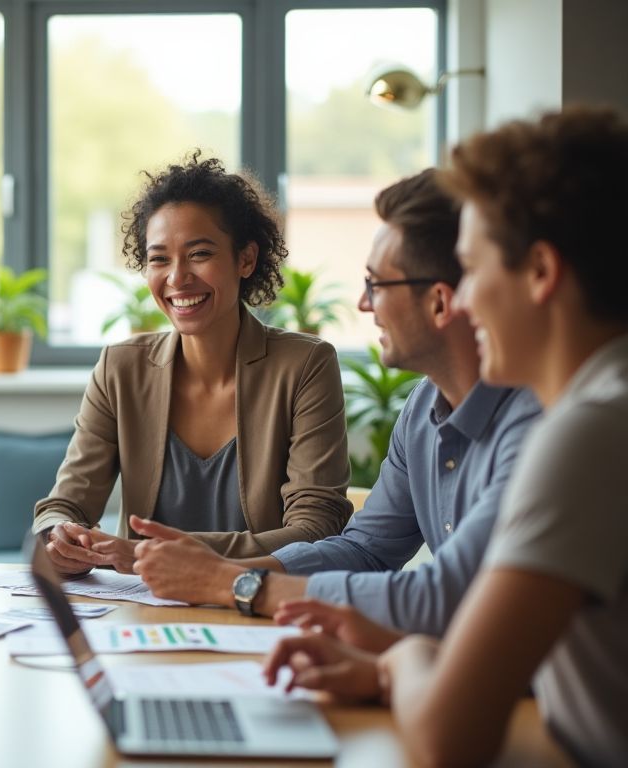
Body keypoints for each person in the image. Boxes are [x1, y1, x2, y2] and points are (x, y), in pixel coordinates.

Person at [264, 108, 628, 767]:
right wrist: (383, 671)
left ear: (540, 273)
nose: (461, 301)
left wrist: (404, 656)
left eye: (474, 268)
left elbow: (446, 737)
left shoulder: (590, 431)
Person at [129, 169, 540, 640]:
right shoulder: (423, 407)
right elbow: (367, 549)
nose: (364, 305)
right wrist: (219, 571)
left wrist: (234, 582)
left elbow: (446, 596)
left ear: (440, 303)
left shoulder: (538, 424)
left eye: (377, 285)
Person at [33, 152, 352, 576]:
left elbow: (315, 529)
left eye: (199, 254)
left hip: (259, 607)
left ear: (246, 260)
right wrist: (60, 536)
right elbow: (65, 503)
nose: (177, 278)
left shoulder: (305, 365)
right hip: (145, 613)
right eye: (159, 259)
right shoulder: (120, 368)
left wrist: (151, 553)